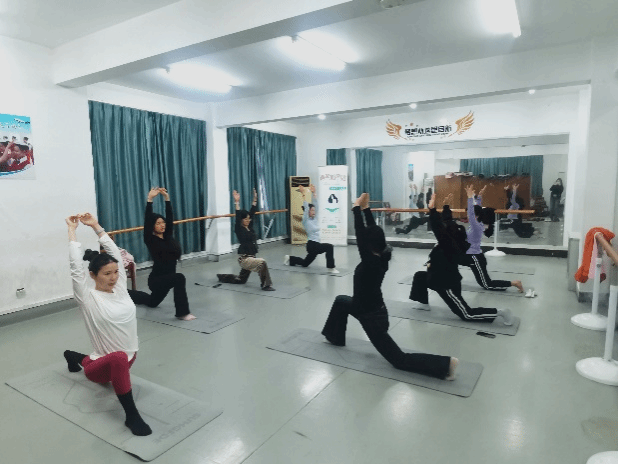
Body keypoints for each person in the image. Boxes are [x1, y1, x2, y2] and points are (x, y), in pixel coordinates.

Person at [321, 193, 458, 380]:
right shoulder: (382, 256)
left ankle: (446, 365)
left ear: (369, 245)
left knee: (399, 360)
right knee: (340, 301)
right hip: (368, 308)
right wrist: (366, 209)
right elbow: (372, 233)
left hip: (371, 319)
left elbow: (361, 235)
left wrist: (356, 209)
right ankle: (335, 338)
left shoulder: (370, 263)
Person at [63, 213, 152, 436]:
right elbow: (75, 267)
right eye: (106, 274)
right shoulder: (87, 298)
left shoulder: (120, 289)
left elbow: (115, 254)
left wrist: (96, 226)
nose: (113, 277)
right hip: (103, 369)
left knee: (118, 358)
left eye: (115, 272)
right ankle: (132, 416)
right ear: (93, 275)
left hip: (130, 357)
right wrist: (72, 231)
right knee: (116, 358)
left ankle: (71, 356)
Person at [410, 193, 514, 324]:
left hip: (446, 285)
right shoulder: (451, 240)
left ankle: (500, 312)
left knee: (467, 314)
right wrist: (446, 206)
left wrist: (432, 210)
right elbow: (447, 221)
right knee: (419, 276)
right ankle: (423, 303)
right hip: (435, 278)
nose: (444, 229)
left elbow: (439, 228)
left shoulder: (451, 246)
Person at [128, 188, 196, 320]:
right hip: (156, 280)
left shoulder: (168, 237)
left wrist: (167, 198)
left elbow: (170, 217)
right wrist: (150, 200)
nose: (162, 225)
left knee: (152, 302)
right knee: (179, 278)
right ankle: (182, 313)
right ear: (153, 226)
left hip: (168, 279)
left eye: (163, 222)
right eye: (158, 223)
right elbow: (147, 220)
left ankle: (126, 293)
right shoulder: (150, 240)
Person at [458, 185, 528, 294]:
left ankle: (514, 283)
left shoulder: (476, 225)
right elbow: (477, 209)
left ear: (475, 216)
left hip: (475, 258)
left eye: (469, 214)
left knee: (486, 284)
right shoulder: (476, 222)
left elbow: (473, 212)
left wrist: (470, 198)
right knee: (450, 257)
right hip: (468, 255)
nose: (467, 215)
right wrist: (479, 197)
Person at [217, 188, 275, 291]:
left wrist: (255, 199)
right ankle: (266, 285)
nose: (248, 220)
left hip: (252, 256)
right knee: (262, 263)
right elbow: (238, 216)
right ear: (241, 220)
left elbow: (252, 212)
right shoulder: (239, 229)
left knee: (241, 280)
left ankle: (223, 277)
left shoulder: (249, 227)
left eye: (249, 219)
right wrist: (236, 202)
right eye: (245, 219)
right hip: (245, 259)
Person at [285, 184, 338, 272]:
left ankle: (290, 259)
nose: (314, 212)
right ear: (308, 212)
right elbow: (306, 207)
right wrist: (303, 194)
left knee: (305, 263)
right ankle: (331, 268)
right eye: (312, 210)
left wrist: (314, 193)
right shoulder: (306, 220)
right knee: (329, 247)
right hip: (312, 245)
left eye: (314, 210)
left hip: (316, 245)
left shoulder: (315, 219)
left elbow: (316, 205)